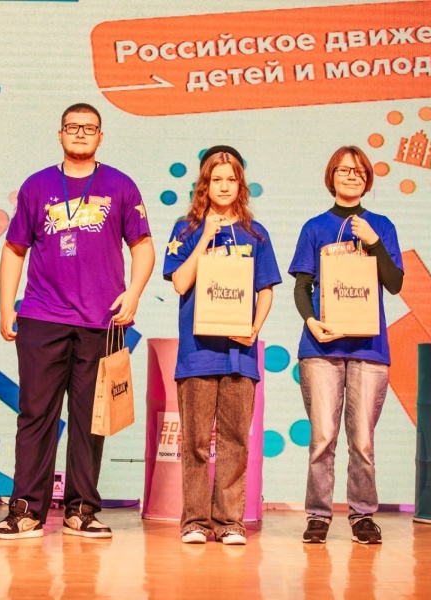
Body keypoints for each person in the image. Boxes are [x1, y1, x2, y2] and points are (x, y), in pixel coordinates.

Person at [0, 102, 154, 539]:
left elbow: (142, 245)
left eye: (89, 128)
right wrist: (6, 307)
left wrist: (134, 293)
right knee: (36, 415)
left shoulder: (120, 185)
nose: (80, 133)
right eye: (72, 127)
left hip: (101, 320)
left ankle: (81, 510)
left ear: (101, 136)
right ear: (59, 134)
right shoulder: (37, 185)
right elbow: (14, 249)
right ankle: (26, 511)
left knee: (90, 419)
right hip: (42, 316)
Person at [163, 145, 280, 545]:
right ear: (205, 184)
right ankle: (195, 521)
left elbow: (266, 289)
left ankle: (230, 521)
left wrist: (254, 328)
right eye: (217, 179)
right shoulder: (185, 229)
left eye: (232, 179)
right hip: (197, 354)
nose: (225, 186)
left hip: (240, 354)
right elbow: (180, 282)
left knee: (234, 441)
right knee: (195, 442)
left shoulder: (255, 233)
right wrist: (206, 237)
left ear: (240, 185)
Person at [288, 145, 403, 544]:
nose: (352, 176)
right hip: (321, 348)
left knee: (363, 441)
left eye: (359, 171)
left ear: (367, 179)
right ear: (332, 176)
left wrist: (374, 242)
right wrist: (311, 321)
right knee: (322, 438)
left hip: (369, 348)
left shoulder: (381, 225)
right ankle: (318, 515)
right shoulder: (314, 227)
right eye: (344, 170)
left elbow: (394, 283)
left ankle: (362, 515)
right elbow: (302, 286)